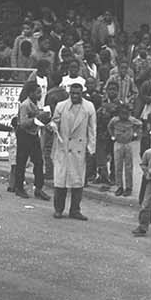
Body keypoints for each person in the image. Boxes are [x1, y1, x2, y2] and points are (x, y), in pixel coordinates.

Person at [46, 82, 95, 220]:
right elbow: (55, 121)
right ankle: (58, 209)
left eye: (77, 93)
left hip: (79, 149)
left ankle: (75, 210)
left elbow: (92, 130)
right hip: (63, 147)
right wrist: (52, 126)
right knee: (60, 181)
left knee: (77, 181)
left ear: (82, 93)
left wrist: (91, 149)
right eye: (72, 93)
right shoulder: (61, 106)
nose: (74, 96)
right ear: (69, 93)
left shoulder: (89, 107)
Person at [10, 82, 48, 199]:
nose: (39, 95)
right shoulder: (25, 105)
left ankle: (39, 188)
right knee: (21, 162)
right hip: (24, 135)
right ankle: (19, 188)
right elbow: (23, 123)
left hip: (33, 134)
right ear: (30, 93)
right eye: (37, 93)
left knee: (39, 162)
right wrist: (37, 118)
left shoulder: (35, 104)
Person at [109, 102, 140, 197]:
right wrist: (113, 135)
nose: (124, 116)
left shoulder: (132, 120)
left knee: (128, 167)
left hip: (128, 144)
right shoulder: (115, 120)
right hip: (118, 143)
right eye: (122, 113)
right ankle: (119, 187)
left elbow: (139, 124)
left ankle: (129, 187)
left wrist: (135, 133)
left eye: (126, 113)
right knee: (118, 166)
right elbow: (109, 127)